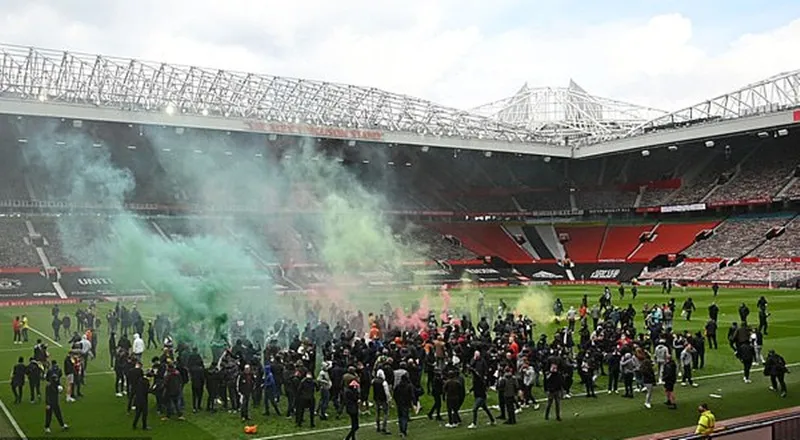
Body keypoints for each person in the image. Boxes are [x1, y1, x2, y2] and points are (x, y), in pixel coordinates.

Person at [131, 362, 151, 430]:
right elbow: (146, 391)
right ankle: (144, 426)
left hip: (137, 398)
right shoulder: (146, 382)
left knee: (138, 413)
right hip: (143, 399)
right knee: (145, 413)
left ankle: (134, 425)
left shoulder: (140, 380)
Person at [394, 374, 414, 438]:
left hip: (399, 403)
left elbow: (395, 395)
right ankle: (403, 431)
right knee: (404, 418)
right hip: (406, 404)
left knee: (400, 417)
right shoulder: (409, 386)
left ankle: (401, 430)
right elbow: (411, 396)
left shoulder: (398, 386)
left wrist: (397, 402)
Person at [371, 369, 391, 434]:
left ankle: (378, 427)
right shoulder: (384, 382)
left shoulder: (373, 381)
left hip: (376, 398)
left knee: (377, 413)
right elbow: (387, 392)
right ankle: (384, 427)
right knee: (385, 413)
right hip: (383, 399)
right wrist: (389, 399)